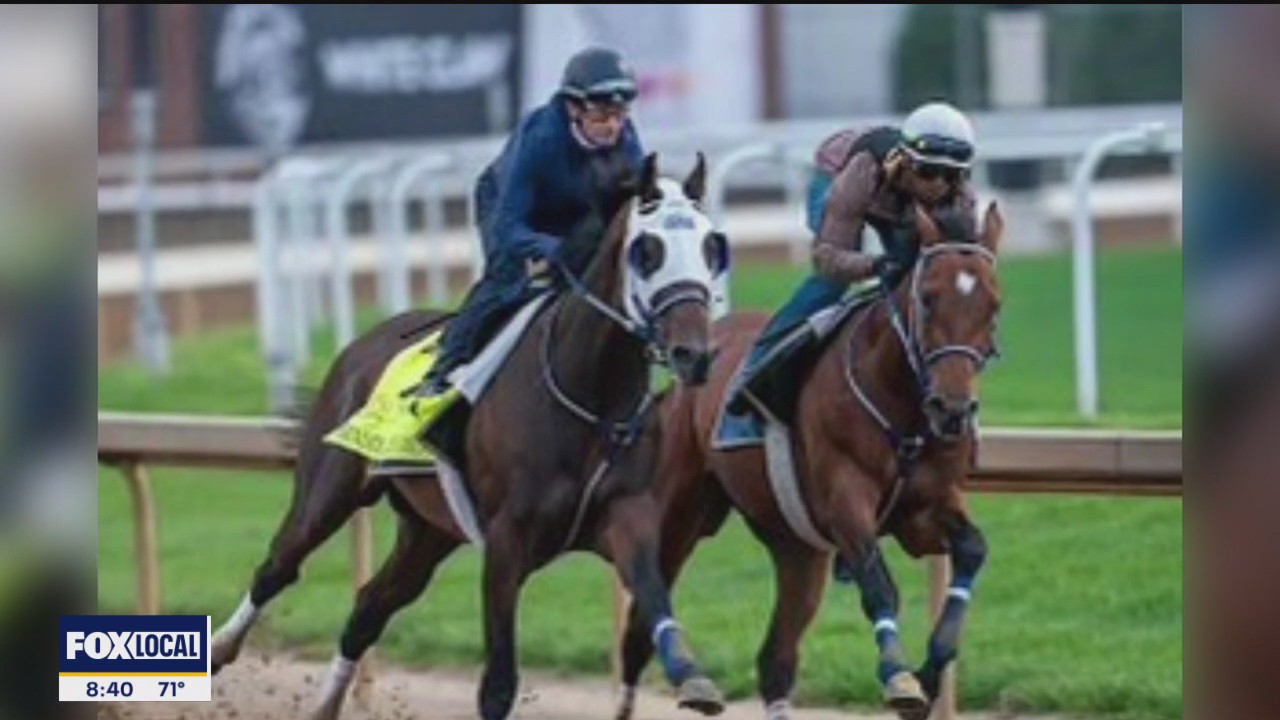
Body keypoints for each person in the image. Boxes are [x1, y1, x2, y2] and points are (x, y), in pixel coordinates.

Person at [413, 46, 646, 408]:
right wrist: (555, 251)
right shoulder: (541, 139)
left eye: (619, 114)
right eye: (601, 114)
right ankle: (445, 368)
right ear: (573, 107)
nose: (612, 126)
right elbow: (509, 228)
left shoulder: (627, 142)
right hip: (509, 205)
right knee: (507, 282)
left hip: (574, 207)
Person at [724, 100, 981, 423]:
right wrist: (874, 265)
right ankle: (757, 365)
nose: (938, 185)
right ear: (905, 160)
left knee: (923, 280)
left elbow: (965, 274)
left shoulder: (960, 199)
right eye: (928, 171)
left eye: (951, 175)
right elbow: (827, 258)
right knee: (833, 284)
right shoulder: (862, 173)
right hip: (840, 173)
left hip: (894, 202)